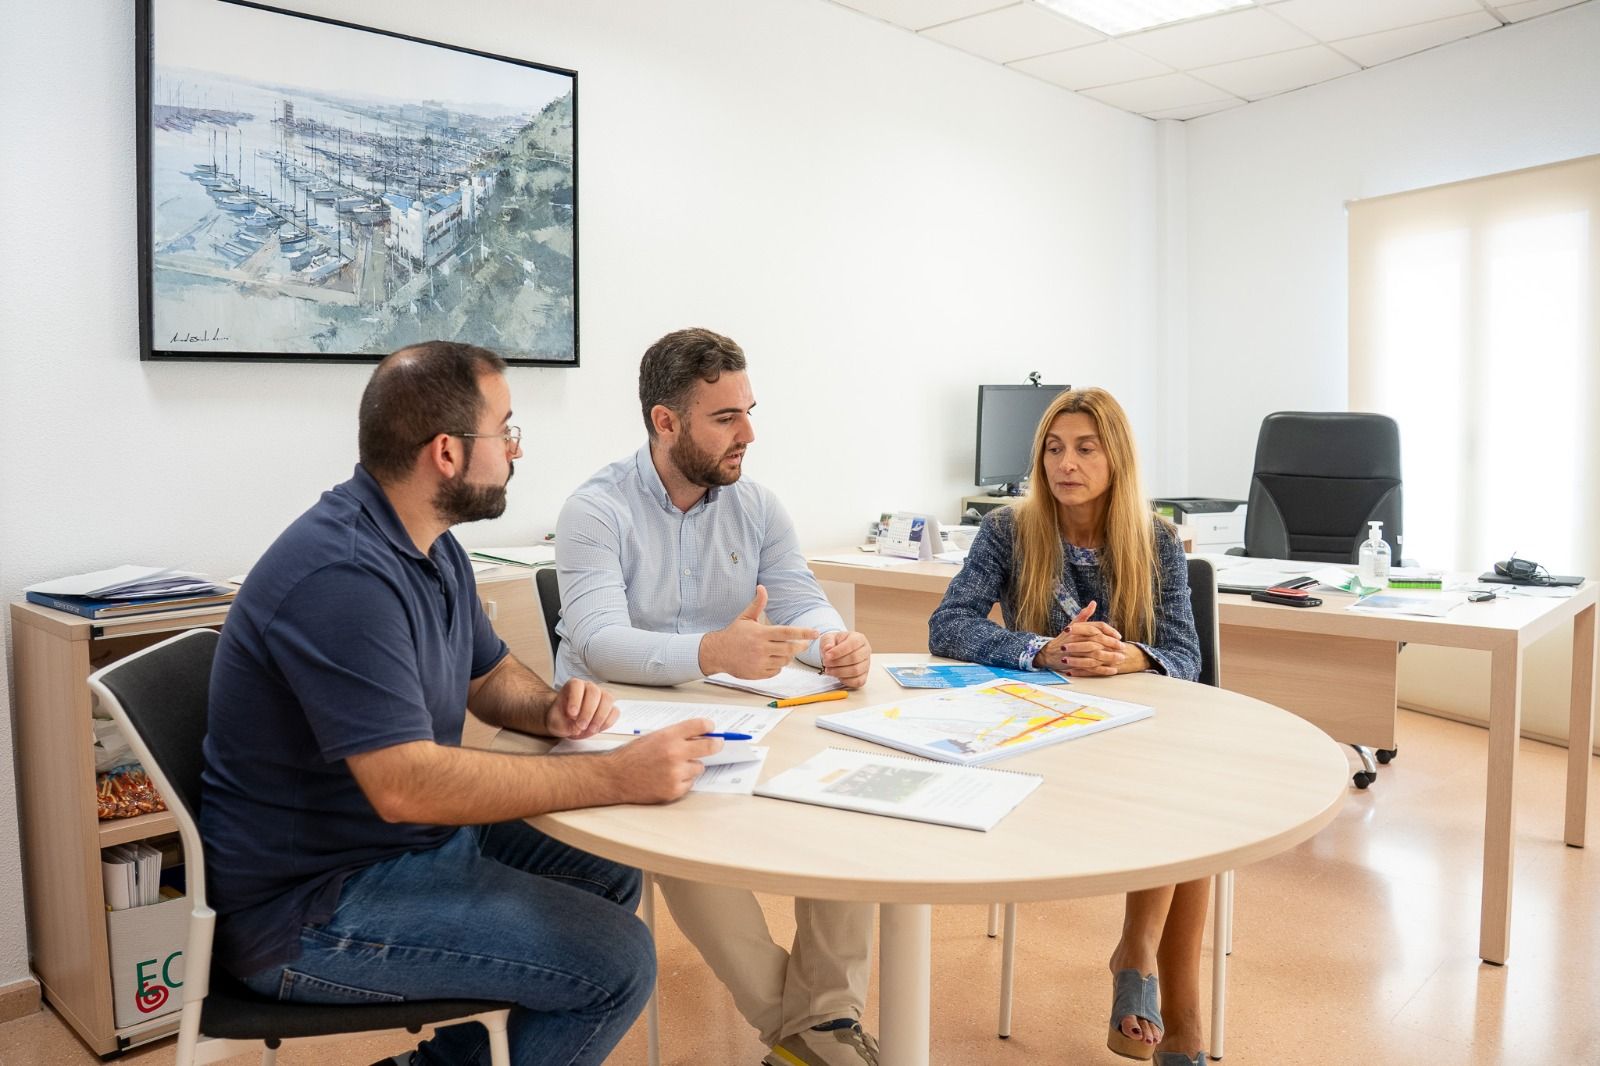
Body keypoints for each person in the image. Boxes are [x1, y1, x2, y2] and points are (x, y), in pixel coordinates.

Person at [202, 341, 720, 1066]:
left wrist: (549, 709)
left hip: (400, 852)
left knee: (609, 866)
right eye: (505, 430)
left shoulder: (428, 541)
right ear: (446, 453)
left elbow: (488, 675)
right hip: (312, 910)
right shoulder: (344, 577)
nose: (516, 450)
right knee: (617, 962)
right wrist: (614, 774)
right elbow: (405, 785)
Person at [554, 327, 879, 1066]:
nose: (749, 434)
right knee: (679, 815)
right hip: (619, 725)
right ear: (665, 422)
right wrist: (713, 651)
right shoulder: (595, 511)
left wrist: (836, 643)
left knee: (846, 802)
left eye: (749, 411)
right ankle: (809, 1030)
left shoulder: (757, 506)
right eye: (726, 418)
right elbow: (601, 641)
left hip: (742, 715)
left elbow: (802, 598)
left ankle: (818, 1028)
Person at [927, 387, 1209, 1066]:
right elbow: (948, 623)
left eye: (1084, 448)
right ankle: (1156, 986)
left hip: (1134, 738)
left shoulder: (1156, 541)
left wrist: (1127, 656)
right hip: (1037, 735)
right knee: (1183, 807)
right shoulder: (1008, 530)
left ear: (1116, 458)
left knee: (1192, 806)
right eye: (1054, 448)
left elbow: (1186, 657)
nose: (1066, 463)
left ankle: (1158, 980)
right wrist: (1038, 649)